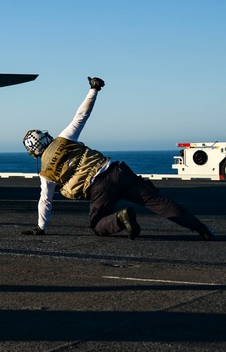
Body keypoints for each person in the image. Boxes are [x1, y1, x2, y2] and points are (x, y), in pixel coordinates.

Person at [21, 77, 215, 240]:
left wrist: (41, 227)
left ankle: (121, 218)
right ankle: (202, 229)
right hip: (117, 170)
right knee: (158, 202)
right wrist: (94, 89)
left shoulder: (46, 173)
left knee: (98, 226)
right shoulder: (64, 138)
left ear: (34, 152)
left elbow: (45, 201)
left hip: (99, 187)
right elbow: (81, 116)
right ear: (46, 137)